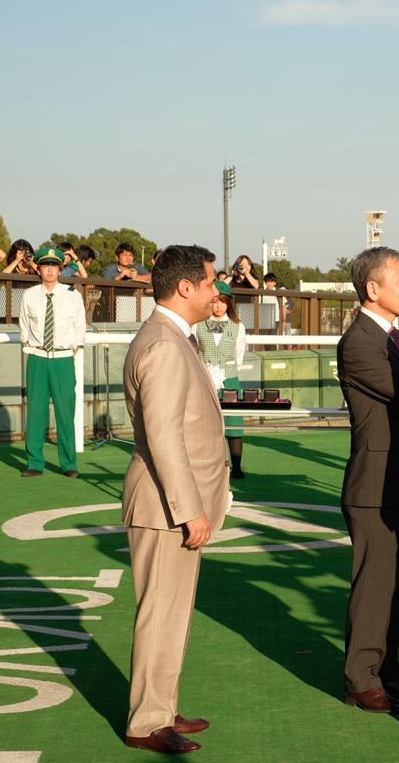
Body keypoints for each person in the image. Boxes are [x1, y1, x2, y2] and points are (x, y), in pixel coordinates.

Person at [121, 244, 227, 755]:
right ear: (186, 287)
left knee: (172, 614)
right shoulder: (163, 343)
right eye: (210, 283)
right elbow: (163, 437)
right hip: (165, 506)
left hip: (171, 504)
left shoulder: (172, 337)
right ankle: (146, 722)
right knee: (161, 612)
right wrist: (190, 510)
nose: (216, 291)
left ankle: (161, 707)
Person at [337, 247, 399, 715]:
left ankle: (386, 673)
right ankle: (361, 678)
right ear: (373, 289)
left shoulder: (398, 338)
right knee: (376, 585)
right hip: (375, 483)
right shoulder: (359, 341)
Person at [18, 246, 87, 478]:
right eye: (45, 266)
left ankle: (69, 464)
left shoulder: (72, 296)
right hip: (38, 358)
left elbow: (80, 326)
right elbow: (24, 326)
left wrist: (74, 347)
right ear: (38, 269)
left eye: (54, 266)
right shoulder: (29, 295)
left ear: (60, 269)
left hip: (62, 360)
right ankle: (34, 462)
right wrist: (30, 346)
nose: (50, 270)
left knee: (66, 413)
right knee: (36, 412)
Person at [194, 281, 248, 480]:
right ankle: (206, 466)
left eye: (222, 302)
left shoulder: (238, 326)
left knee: (234, 423)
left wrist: (227, 371)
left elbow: (239, 355)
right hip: (205, 379)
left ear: (229, 304)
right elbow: (194, 350)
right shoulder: (198, 324)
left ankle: (237, 467)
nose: (218, 306)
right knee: (205, 424)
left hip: (230, 380)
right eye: (215, 301)